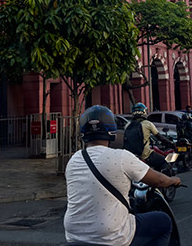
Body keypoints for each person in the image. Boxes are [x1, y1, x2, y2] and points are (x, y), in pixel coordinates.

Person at [64, 105, 181, 246]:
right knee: (164, 222)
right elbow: (160, 181)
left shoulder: (73, 160)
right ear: (111, 130)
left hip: (73, 234)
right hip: (110, 235)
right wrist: (173, 180)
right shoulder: (120, 156)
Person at [125, 102, 176, 171]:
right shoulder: (148, 124)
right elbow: (160, 137)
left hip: (130, 155)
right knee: (165, 162)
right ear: (144, 112)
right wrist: (171, 144)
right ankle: (162, 180)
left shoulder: (128, 125)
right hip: (145, 155)